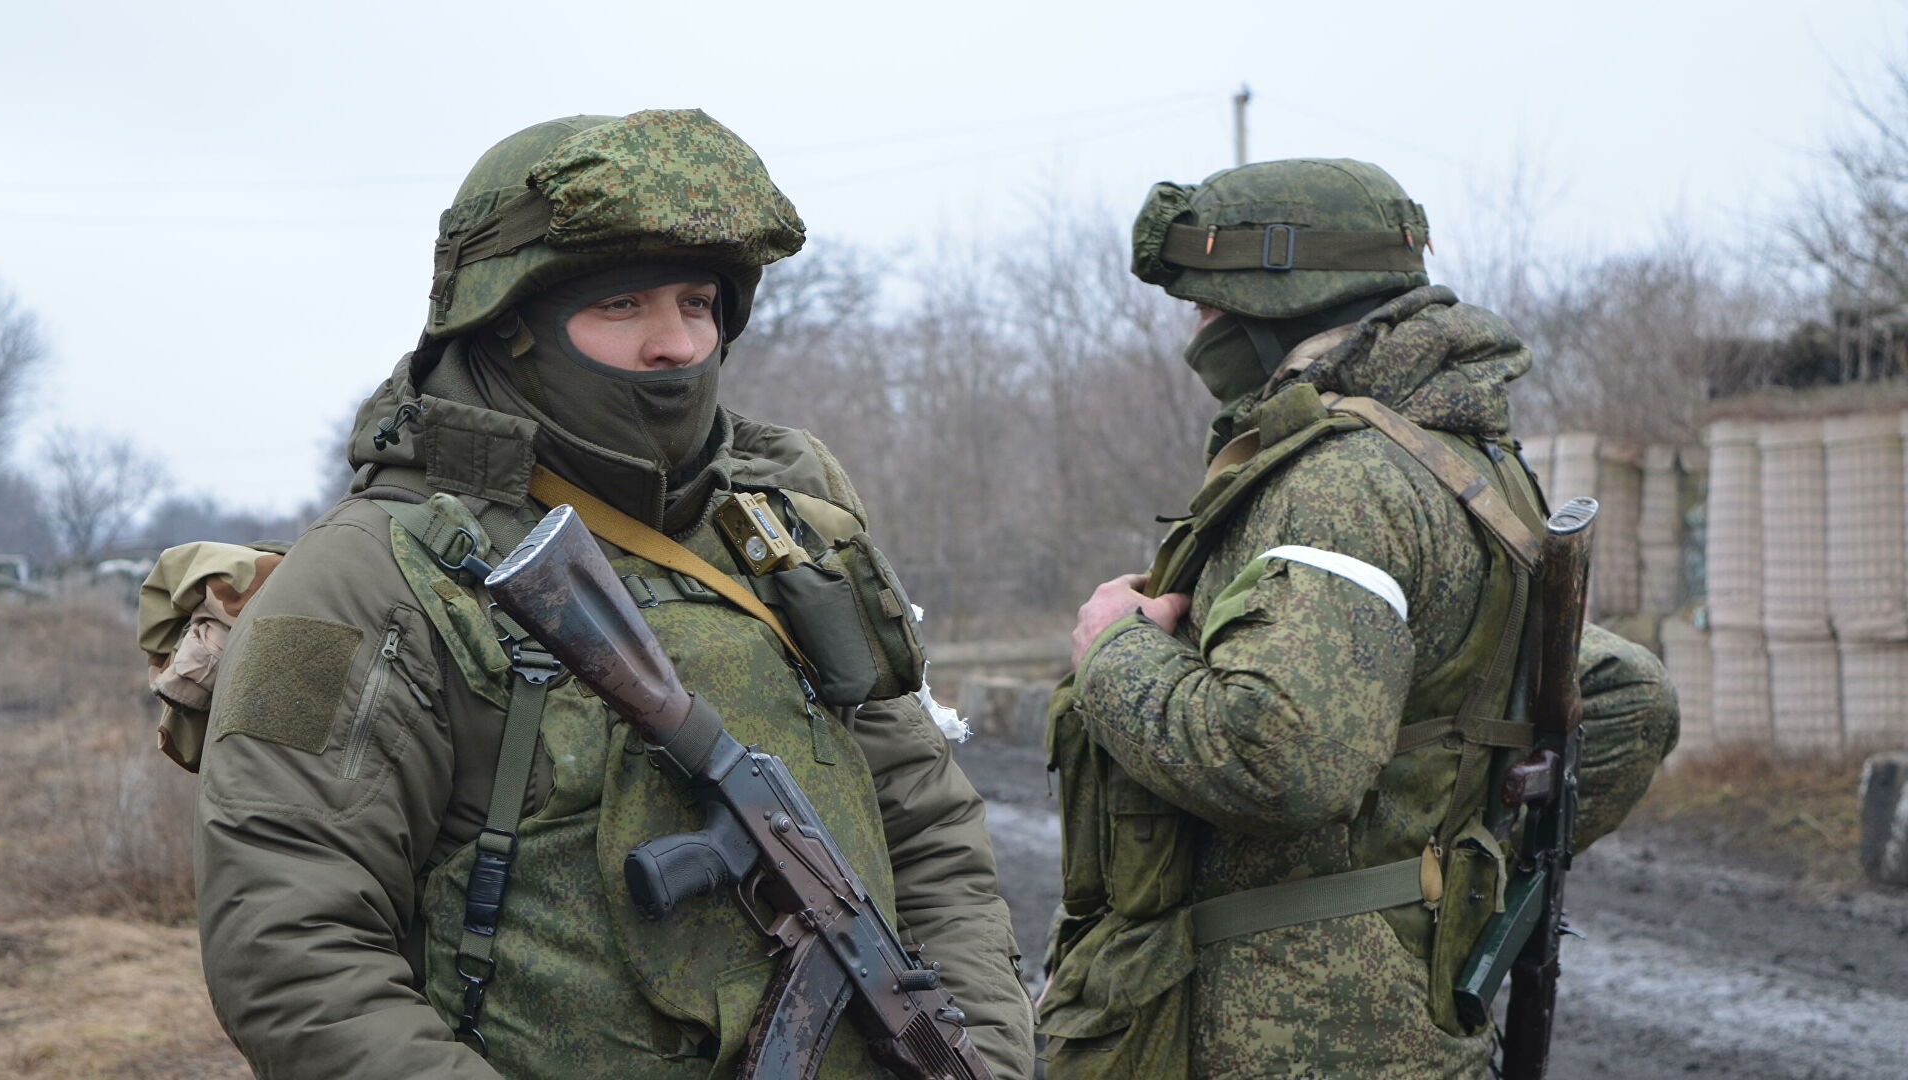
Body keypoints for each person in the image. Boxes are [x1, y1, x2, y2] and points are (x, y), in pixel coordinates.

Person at [194, 111, 1034, 1080]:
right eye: (623, 305)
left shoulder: (785, 537)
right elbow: (292, 950)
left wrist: (985, 1056)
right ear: (508, 324)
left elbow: (931, 836)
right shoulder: (367, 580)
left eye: (697, 302)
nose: (675, 344)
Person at [1038, 159, 1678, 1079]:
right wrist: (1457, 881)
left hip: (1277, 1041)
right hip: (1409, 1031)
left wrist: (1117, 650)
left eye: (1207, 302)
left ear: (1279, 298)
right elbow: (1627, 695)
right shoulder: (1466, 467)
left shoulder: (1339, 483)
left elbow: (1280, 759)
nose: (1198, 328)